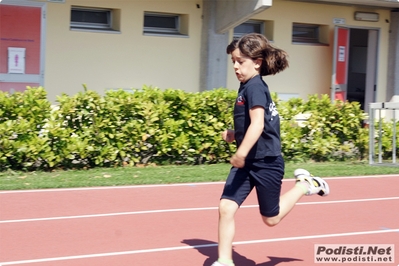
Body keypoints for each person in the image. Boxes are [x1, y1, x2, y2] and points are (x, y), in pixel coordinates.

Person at [211, 33, 330, 266]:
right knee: (225, 207)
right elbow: (254, 127)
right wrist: (236, 135)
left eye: (240, 61)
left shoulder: (255, 87)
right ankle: (224, 261)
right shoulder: (246, 85)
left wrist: (240, 152)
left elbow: (258, 124)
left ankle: (306, 185)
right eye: (233, 61)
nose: (235, 66)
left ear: (257, 62)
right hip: (248, 163)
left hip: (266, 161)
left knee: (271, 219)